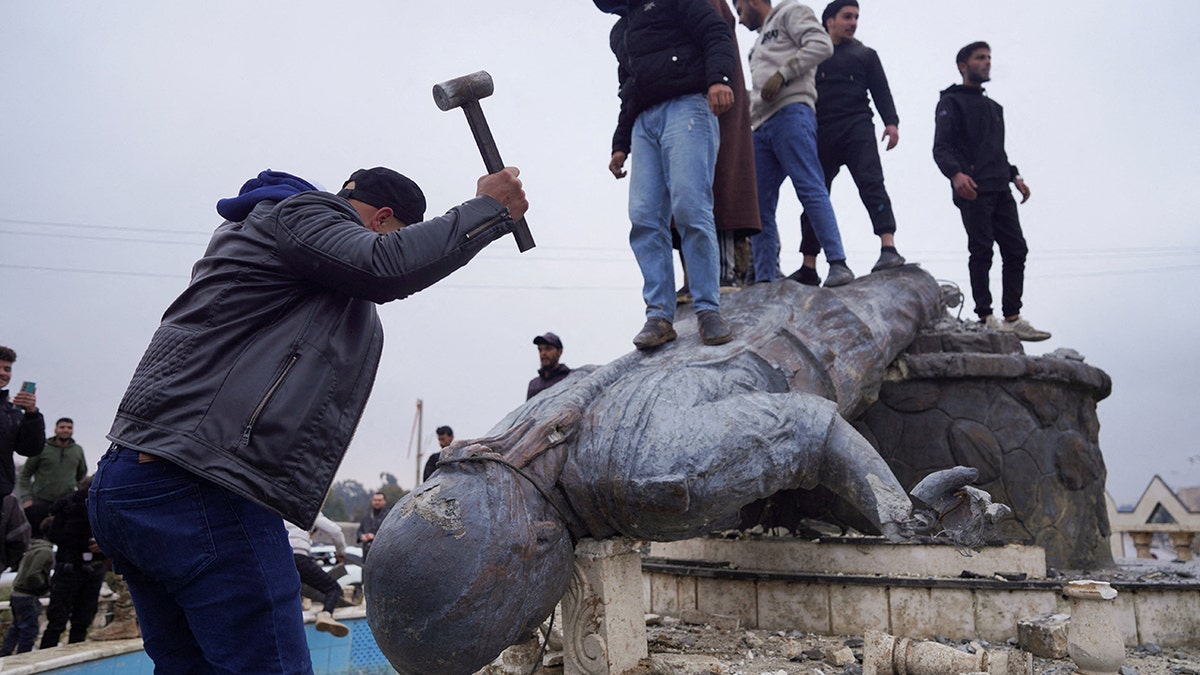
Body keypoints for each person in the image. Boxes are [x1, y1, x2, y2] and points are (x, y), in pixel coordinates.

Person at [86, 164, 528, 673]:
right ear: (382, 219)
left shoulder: (269, 243)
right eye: (400, 235)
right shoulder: (301, 214)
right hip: (201, 485)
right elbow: (386, 265)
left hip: (138, 475)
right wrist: (486, 210)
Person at [598, 0, 738, 349]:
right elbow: (628, 88)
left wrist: (719, 79)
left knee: (691, 207)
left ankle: (708, 309)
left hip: (688, 105)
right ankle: (659, 315)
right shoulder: (620, 31)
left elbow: (716, 31)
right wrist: (620, 144)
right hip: (644, 123)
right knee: (644, 217)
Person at [933, 42, 1050, 341]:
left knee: (1016, 249)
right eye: (980, 58)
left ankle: (1013, 318)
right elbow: (941, 147)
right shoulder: (951, 102)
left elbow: (996, 150)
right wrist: (956, 174)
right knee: (982, 249)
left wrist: (1015, 176)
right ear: (963, 66)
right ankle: (985, 316)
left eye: (989, 58)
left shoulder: (994, 108)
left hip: (1000, 186)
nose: (987, 63)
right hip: (973, 188)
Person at [734, 0, 854, 288]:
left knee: (809, 186)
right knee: (759, 206)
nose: (739, 20)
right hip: (760, 125)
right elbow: (760, 92)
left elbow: (821, 45)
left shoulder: (790, 13)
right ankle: (764, 278)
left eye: (739, 10)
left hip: (791, 112)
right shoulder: (756, 47)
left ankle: (837, 263)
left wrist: (783, 74)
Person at [790, 0, 904, 285]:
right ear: (829, 21)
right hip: (821, 130)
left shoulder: (865, 55)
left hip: (857, 127)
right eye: (847, 17)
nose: (853, 23)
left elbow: (881, 91)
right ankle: (809, 264)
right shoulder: (812, 54)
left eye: (856, 17)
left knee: (871, 183)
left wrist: (891, 123)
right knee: (815, 193)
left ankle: (888, 247)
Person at [41, 476, 107, 649]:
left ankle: (59, 651)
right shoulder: (70, 507)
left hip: (83, 568)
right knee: (64, 621)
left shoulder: (100, 507)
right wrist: (88, 543)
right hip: (73, 567)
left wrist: (103, 544)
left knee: (77, 620)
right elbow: (56, 535)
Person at [286, 512, 349, 637]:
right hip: (299, 558)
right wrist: (340, 552)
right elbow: (335, 531)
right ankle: (326, 615)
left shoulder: (277, 506)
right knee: (333, 588)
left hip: (278, 560)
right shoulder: (309, 507)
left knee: (291, 592)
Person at [20, 417, 87, 530]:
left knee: (63, 536)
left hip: (65, 503)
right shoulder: (42, 448)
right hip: (41, 500)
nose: (65, 430)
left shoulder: (77, 450)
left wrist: (79, 500)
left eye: (69, 428)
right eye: (62, 427)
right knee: (36, 536)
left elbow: (82, 477)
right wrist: (26, 498)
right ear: (55, 429)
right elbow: (25, 474)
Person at [0, 517, 53, 655]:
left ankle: (5, 655)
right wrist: (44, 586)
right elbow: (33, 574)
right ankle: (23, 656)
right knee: (29, 630)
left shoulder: (34, 547)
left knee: (17, 627)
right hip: (27, 595)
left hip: (17, 594)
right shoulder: (45, 551)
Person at [0, 346, 45, 498]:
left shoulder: (11, 412)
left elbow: (30, 449)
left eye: (7, 369)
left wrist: (31, 414)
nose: (2, 373)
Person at [527, 332, 572, 400]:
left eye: (548, 349)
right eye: (540, 350)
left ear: (560, 352)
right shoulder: (533, 385)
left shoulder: (570, 379)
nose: (543, 353)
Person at [357, 492, 390, 561]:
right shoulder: (367, 515)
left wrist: (375, 537)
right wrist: (362, 536)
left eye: (379, 500)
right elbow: (359, 530)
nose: (377, 502)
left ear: (384, 501)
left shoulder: (389, 515)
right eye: (375, 500)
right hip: (366, 552)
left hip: (381, 553)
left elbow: (390, 534)